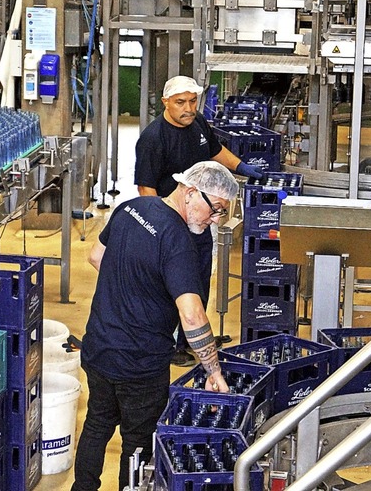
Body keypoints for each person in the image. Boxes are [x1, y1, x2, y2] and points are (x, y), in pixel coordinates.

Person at [71, 161, 240, 491]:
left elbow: (96, 257)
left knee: (97, 421)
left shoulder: (130, 208)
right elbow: (191, 315)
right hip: (140, 364)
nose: (216, 221)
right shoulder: (177, 242)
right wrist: (213, 370)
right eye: (216, 210)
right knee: (137, 442)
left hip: (99, 347)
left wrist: (131, 292)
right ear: (191, 193)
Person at [134, 75, 263, 366]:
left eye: (193, 101)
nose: (189, 108)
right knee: (170, 286)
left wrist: (242, 166)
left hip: (201, 221)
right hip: (172, 224)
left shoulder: (198, 124)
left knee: (199, 281)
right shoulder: (154, 138)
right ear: (166, 102)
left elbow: (216, 151)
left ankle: (188, 341)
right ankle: (166, 345)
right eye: (181, 102)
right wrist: (158, 228)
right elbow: (146, 189)